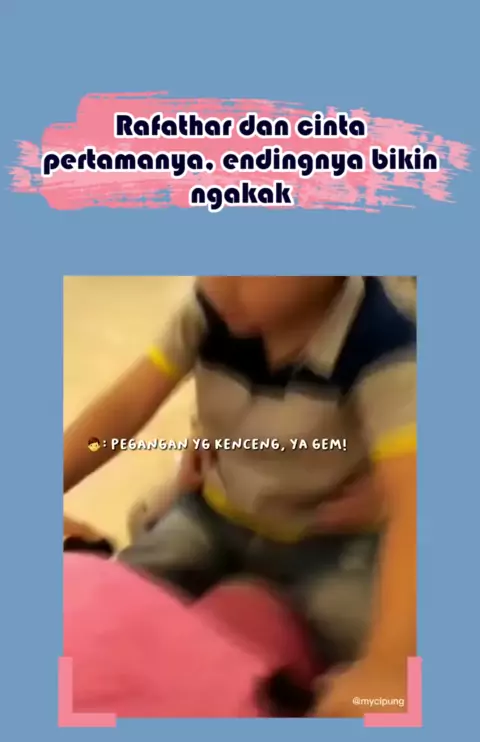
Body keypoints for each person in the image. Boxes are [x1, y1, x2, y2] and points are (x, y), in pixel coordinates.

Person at [64, 276, 416, 717]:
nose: (223, 279)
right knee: (118, 602)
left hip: (329, 544)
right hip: (212, 516)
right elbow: (123, 408)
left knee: (384, 684)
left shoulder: (384, 344)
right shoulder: (206, 313)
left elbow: (415, 503)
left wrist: (389, 665)